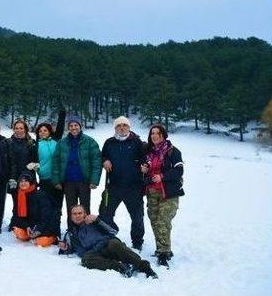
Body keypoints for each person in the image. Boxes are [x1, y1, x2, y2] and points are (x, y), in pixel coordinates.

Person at [58, 205, 157, 278]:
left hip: (109, 246)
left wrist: (98, 221)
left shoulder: (93, 222)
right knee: (85, 259)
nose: (77, 216)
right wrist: (66, 248)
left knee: (114, 243)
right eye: (74, 214)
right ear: (71, 216)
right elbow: (77, 250)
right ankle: (121, 267)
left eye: (80, 213)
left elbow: (113, 231)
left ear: (85, 214)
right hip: (97, 253)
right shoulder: (71, 234)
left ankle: (144, 267)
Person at [98, 116, 146, 250]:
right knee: (105, 213)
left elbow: (145, 158)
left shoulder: (137, 142)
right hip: (113, 186)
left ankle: (137, 242)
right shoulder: (109, 142)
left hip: (133, 187)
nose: (122, 128)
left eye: (125, 125)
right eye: (119, 126)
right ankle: (108, 236)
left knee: (137, 217)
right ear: (115, 128)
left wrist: (144, 165)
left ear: (129, 127)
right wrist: (105, 160)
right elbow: (103, 155)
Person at [141, 123, 185, 267]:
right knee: (154, 220)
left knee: (163, 221)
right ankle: (162, 247)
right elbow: (145, 169)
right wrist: (144, 169)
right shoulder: (148, 152)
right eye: (152, 133)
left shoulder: (173, 151)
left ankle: (164, 253)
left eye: (157, 133)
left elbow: (179, 171)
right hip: (152, 192)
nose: (154, 136)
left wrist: (162, 176)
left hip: (168, 192)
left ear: (163, 135)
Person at [54, 115, 101, 230]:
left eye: (76, 125)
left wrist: (94, 180)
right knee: (71, 209)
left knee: (85, 208)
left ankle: (87, 231)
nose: (73, 128)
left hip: (84, 181)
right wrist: (56, 180)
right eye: (71, 125)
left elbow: (96, 162)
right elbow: (56, 162)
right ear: (68, 128)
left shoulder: (90, 142)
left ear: (80, 126)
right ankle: (72, 232)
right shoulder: (62, 143)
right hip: (68, 181)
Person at [9, 171, 60, 247]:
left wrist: (38, 229)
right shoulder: (19, 195)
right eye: (21, 181)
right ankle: (31, 235)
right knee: (19, 233)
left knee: (40, 242)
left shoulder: (40, 195)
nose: (23, 183)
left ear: (31, 182)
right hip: (32, 225)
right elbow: (18, 216)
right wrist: (27, 227)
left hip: (46, 225)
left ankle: (53, 238)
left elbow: (47, 215)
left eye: (26, 181)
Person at [32, 122, 63, 221]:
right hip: (44, 179)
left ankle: (56, 228)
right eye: (40, 131)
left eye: (45, 130)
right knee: (46, 205)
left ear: (49, 131)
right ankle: (45, 228)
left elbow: (60, 128)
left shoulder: (56, 141)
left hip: (57, 179)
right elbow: (33, 160)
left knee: (57, 205)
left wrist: (62, 112)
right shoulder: (36, 145)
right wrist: (37, 168)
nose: (42, 133)